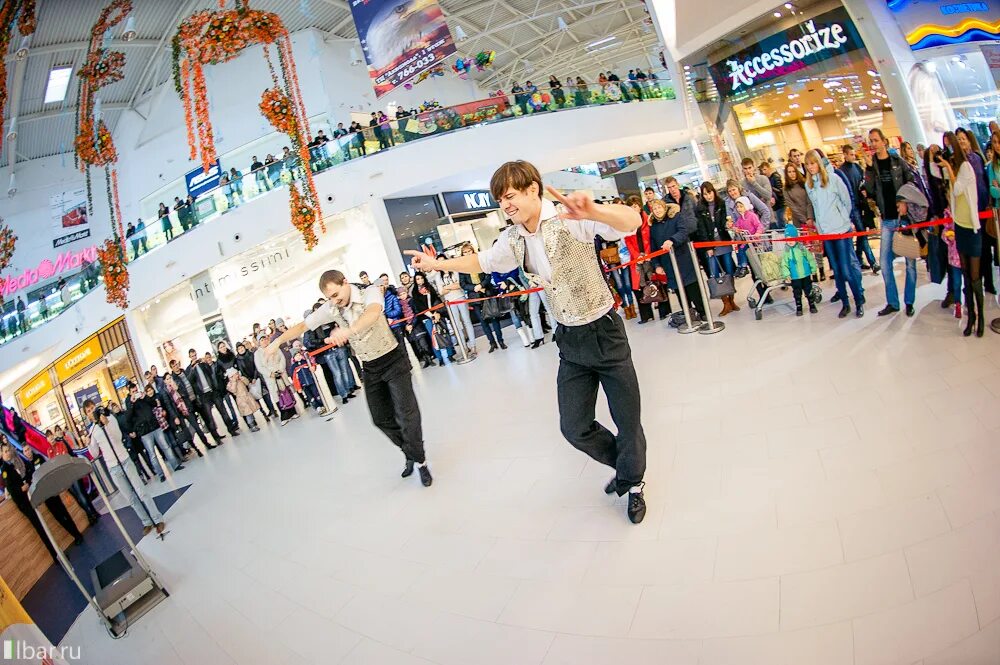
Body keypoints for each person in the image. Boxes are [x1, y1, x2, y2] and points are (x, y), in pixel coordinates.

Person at [406, 160, 647, 523]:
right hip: (569, 340)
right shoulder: (513, 239)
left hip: (605, 330)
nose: (505, 205)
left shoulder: (572, 218)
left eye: (510, 196)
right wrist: (437, 265)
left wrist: (594, 209)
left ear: (533, 189)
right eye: (501, 199)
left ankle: (633, 483)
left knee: (627, 420)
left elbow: (633, 222)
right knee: (574, 427)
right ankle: (628, 469)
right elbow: (483, 262)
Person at [269, 272, 433, 487]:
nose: (335, 300)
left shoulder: (369, 293)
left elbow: (373, 313)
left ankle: (421, 462)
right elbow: (303, 326)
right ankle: (409, 450)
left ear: (345, 282)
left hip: (393, 359)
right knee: (380, 418)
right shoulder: (331, 307)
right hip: (370, 367)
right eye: (330, 297)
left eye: (336, 294)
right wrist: (276, 342)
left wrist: (349, 330)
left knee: (406, 413)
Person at [84, 400, 166, 536]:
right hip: (113, 468)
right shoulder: (92, 430)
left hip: (125, 460)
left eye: (93, 408)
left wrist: (107, 424)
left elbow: (118, 437)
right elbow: (94, 453)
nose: (92, 412)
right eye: (88, 411)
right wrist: (88, 444)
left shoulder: (110, 418)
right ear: (87, 415)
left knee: (141, 491)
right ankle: (146, 522)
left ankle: (157, 519)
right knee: (130, 498)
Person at [805, 149, 865, 318]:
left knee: (846, 269)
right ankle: (845, 303)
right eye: (807, 164)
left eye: (813, 163)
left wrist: (843, 219)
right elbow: (816, 207)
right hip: (826, 233)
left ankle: (859, 300)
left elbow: (846, 200)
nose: (810, 167)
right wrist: (820, 226)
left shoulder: (834, 178)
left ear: (819, 162)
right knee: (837, 271)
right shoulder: (809, 185)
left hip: (841, 231)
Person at [864, 127, 915, 317]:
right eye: (871, 141)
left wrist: (903, 200)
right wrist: (868, 168)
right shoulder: (872, 165)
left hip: (904, 219)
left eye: (876, 140)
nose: (873, 144)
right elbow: (869, 189)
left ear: (884, 141)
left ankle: (909, 301)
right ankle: (893, 302)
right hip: (886, 220)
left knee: (910, 262)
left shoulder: (897, 161)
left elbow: (910, 182)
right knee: (884, 264)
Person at [937, 135, 983, 336]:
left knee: (974, 278)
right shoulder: (954, 170)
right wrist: (941, 165)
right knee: (965, 274)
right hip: (960, 229)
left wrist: (948, 166)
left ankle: (980, 317)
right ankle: (970, 316)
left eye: (949, 147)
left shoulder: (964, 168)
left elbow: (956, 191)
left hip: (972, 230)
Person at [1, 441, 68, 561]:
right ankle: (56, 555)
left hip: (28, 498)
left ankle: (57, 552)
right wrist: (21, 489)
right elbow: (11, 487)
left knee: (43, 525)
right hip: (23, 503)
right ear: (1, 454)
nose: (8, 453)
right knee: (40, 528)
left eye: (8, 450)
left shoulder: (13, 464)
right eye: (5, 452)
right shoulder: (5, 469)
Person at [650, 198, 706, 322]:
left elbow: (683, 231)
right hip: (669, 264)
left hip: (684, 259)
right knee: (680, 292)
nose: (657, 210)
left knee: (693, 289)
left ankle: (703, 312)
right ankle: (689, 315)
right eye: (654, 209)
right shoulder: (653, 227)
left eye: (659, 207)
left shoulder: (676, 217)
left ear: (664, 208)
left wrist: (672, 240)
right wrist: (657, 265)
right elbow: (653, 248)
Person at [696, 181, 739, 316]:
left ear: (713, 191)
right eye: (705, 194)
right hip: (711, 246)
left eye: (709, 193)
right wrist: (708, 246)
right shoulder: (700, 209)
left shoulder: (722, 204)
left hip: (724, 242)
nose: (708, 196)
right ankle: (725, 302)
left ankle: (732, 300)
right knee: (715, 274)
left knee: (729, 271)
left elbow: (727, 221)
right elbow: (701, 229)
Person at [126, 383, 185, 482]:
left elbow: (154, 403)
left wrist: (145, 397)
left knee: (166, 447)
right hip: (144, 432)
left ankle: (175, 465)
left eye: (136, 390)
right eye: (133, 392)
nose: (135, 393)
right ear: (130, 393)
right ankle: (161, 474)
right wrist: (132, 404)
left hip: (155, 426)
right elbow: (128, 417)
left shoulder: (144, 397)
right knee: (152, 454)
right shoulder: (129, 403)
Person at [839, 145, 880, 274]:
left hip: (861, 204)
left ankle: (858, 258)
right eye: (850, 154)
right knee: (862, 232)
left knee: (862, 234)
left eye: (853, 154)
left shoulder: (856, 167)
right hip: (852, 206)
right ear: (844, 155)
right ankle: (873, 262)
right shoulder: (841, 171)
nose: (853, 156)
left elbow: (863, 179)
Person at [163, 373, 217, 454]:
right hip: (178, 413)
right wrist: (175, 417)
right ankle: (196, 449)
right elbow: (168, 405)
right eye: (167, 379)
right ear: (164, 381)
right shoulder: (165, 391)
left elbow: (186, 394)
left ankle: (207, 444)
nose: (169, 380)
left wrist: (178, 389)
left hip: (186, 409)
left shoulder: (177, 384)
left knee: (197, 427)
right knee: (186, 432)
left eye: (170, 377)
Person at [781, 224, 819, 315]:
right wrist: (786, 274)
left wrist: (813, 268)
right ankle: (799, 306)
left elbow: (810, 258)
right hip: (795, 277)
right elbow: (784, 264)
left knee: (808, 290)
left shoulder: (802, 248)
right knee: (797, 292)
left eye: (792, 238)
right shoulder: (786, 251)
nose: (789, 241)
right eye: (787, 239)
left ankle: (812, 304)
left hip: (805, 274)